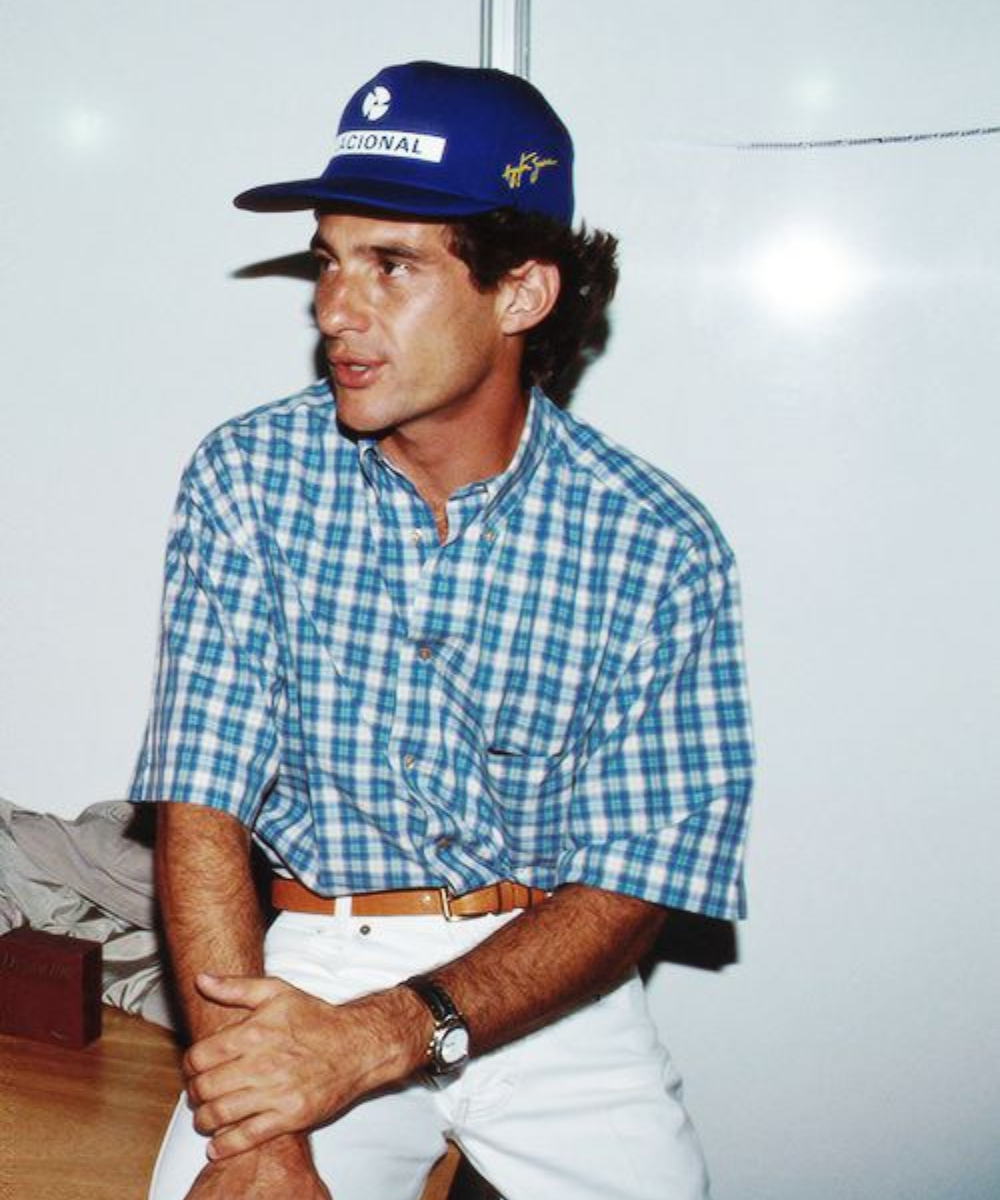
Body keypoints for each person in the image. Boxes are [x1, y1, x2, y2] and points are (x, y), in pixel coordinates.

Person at [130, 60, 754, 1200]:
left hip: (545, 980)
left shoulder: (655, 543)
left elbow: (630, 886)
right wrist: (260, 1131)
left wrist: (380, 1040)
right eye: (328, 260)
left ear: (519, 294)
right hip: (315, 955)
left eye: (391, 265)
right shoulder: (247, 478)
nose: (333, 307)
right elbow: (201, 804)